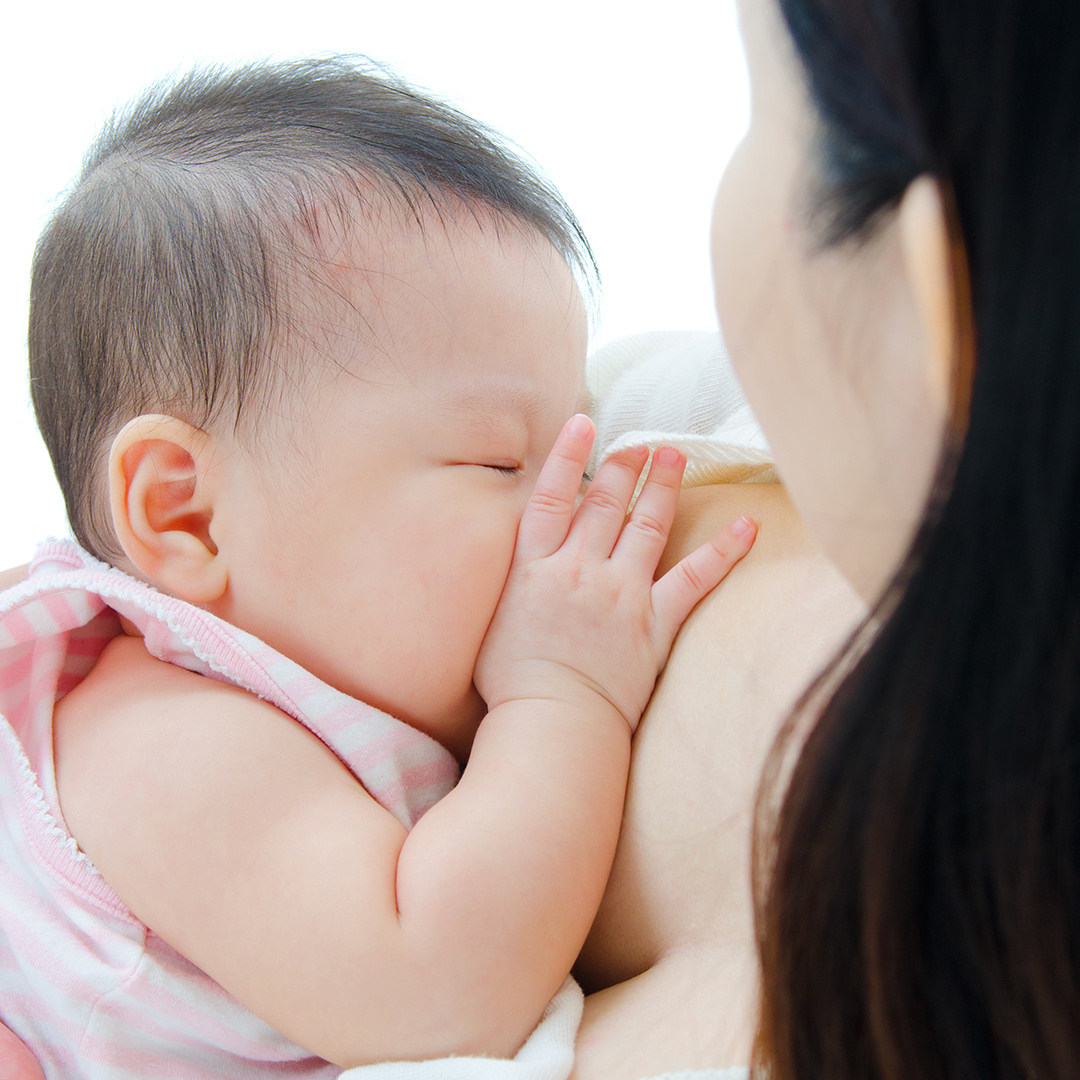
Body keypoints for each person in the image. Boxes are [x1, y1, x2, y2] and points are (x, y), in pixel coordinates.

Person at [0, 59, 757, 1075]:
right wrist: (561, 695)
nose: (570, 505)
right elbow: (436, 993)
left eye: (579, 445)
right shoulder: (162, 741)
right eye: (499, 460)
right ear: (183, 512)